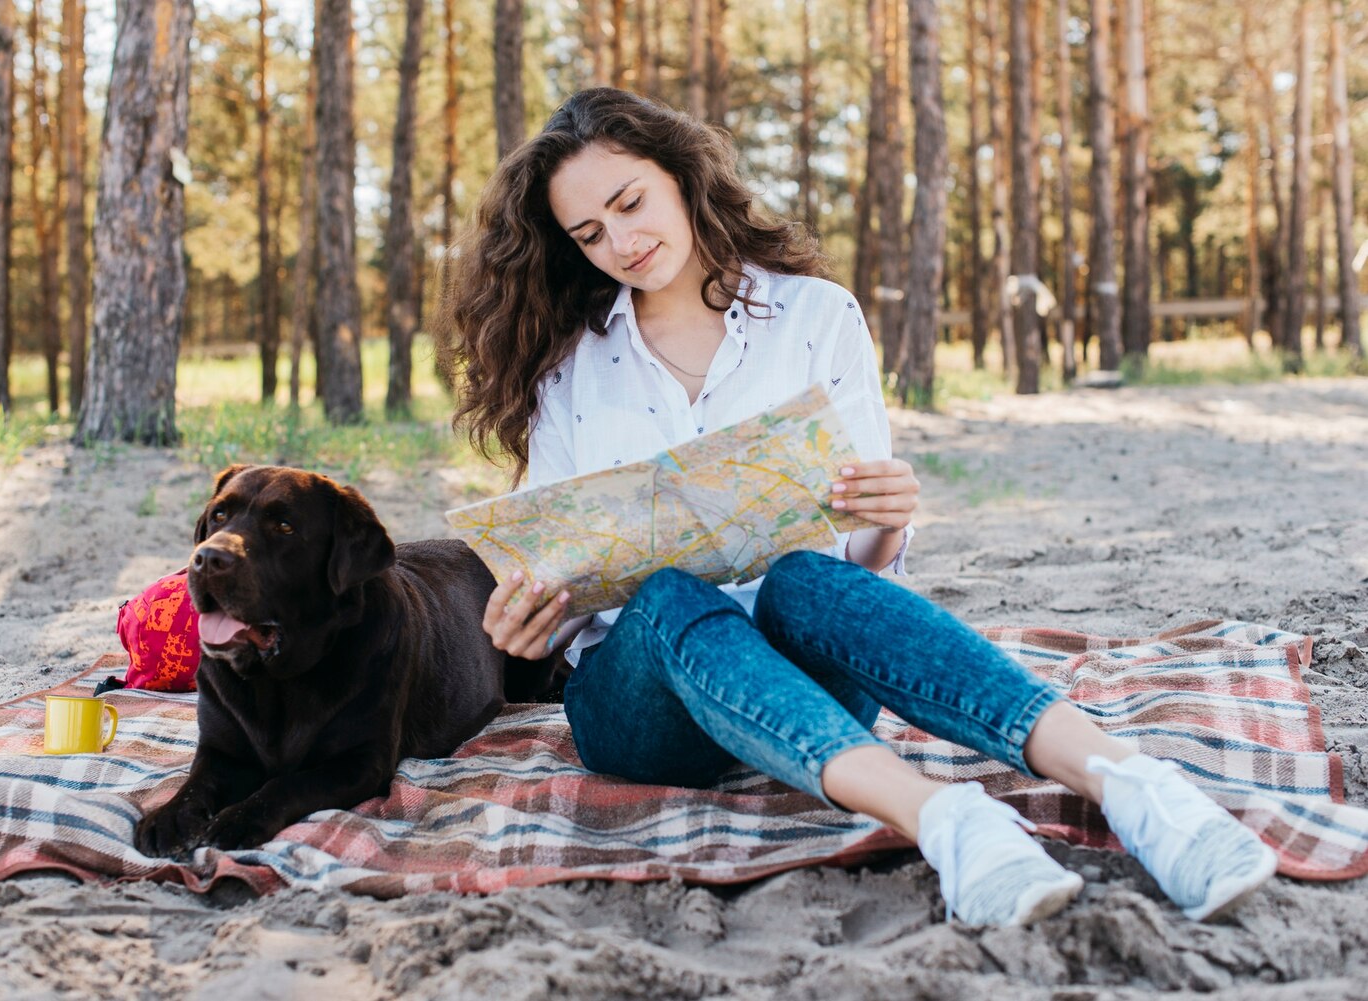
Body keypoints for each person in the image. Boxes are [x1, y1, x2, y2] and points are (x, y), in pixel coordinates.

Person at [439, 87, 1276, 926]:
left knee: (802, 576)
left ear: (681, 177)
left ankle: (1137, 786)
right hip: (645, 710)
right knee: (666, 594)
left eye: (630, 204)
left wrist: (887, 514)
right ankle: (946, 820)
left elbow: (866, 563)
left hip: (810, 675)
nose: (620, 243)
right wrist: (529, 623)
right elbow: (559, 594)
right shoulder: (570, 373)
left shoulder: (813, 318)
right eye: (589, 234)